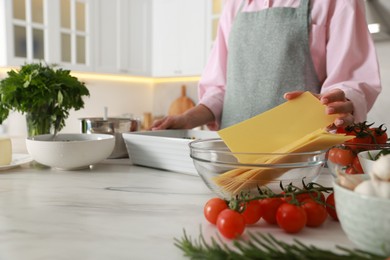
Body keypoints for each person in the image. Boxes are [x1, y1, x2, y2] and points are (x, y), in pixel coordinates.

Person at [152, 0, 382, 131]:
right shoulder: (235, 4)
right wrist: (187, 119)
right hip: (232, 161)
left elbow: (351, 81)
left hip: (302, 164)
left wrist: (340, 102)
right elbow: (221, 89)